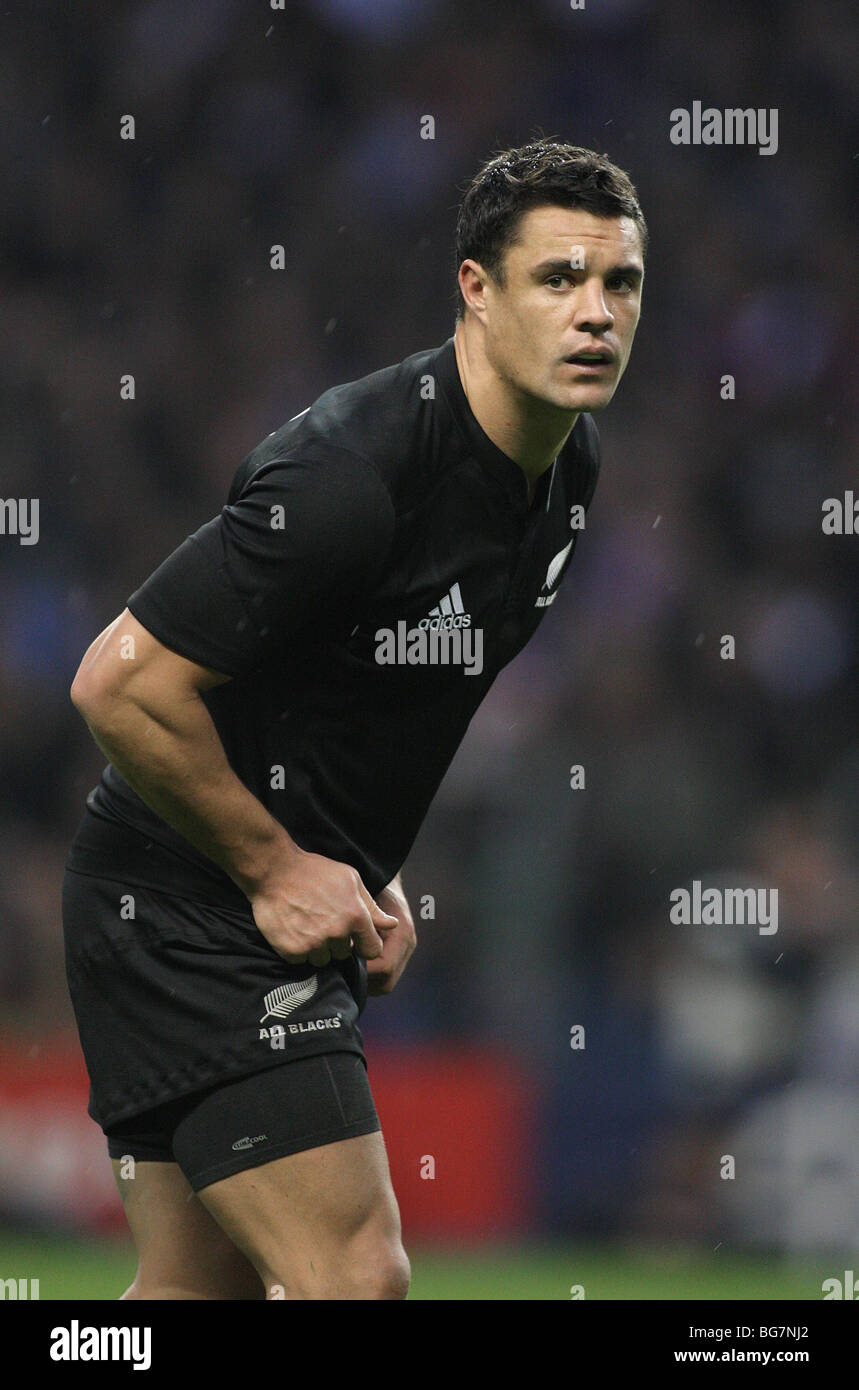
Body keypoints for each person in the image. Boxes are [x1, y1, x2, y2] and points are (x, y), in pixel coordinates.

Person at [63, 138, 646, 1300]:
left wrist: (352, 863)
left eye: (618, 283)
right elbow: (116, 685)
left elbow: (365, 693)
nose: (595, 314)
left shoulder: (566, 469)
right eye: (556, 279)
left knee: (193, 1292)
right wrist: (278, 863)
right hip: (185, 905)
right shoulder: (351, 477)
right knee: (355, 1278)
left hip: (232, 897)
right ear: (475, 290)